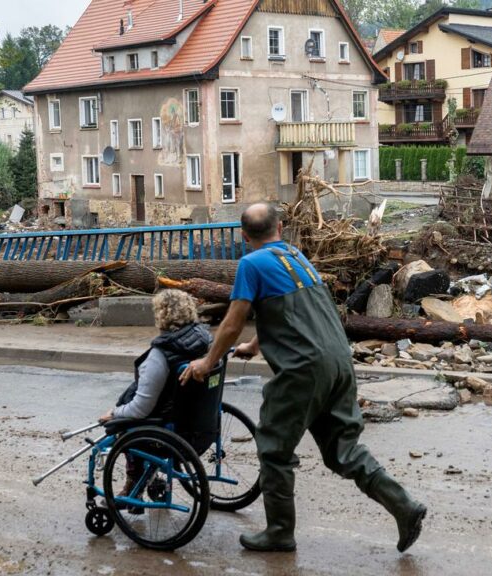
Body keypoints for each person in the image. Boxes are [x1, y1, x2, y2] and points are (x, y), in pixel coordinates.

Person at [181, 203, 427, 553]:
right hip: (338, 360)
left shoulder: (250, 264)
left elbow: (233, 321)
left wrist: (208, 362)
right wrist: (255, 344)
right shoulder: (295, 256)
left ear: (243, 235)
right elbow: (293, 312)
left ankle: (280, 531)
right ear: (279, 228)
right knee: (343, 450)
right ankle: (404, 506)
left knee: (273, 447)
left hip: (303, 369)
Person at [99, 289, 212, 503]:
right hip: (200, 425)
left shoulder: (160, 355)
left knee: (120, 428)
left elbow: (141, 408)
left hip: (168, 430)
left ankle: (134, 484)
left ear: (161, 315)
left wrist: (115, 413)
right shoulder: (205, 340)